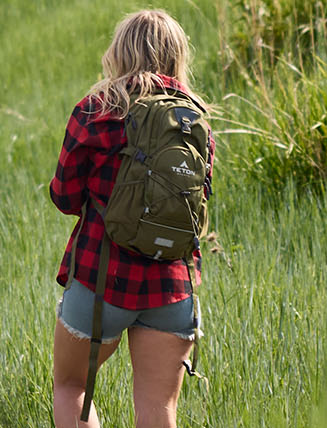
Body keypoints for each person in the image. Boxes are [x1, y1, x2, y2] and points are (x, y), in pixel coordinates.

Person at [46, 10, 212, 428]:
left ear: (119, 52)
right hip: (172, 284)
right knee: (159, 410)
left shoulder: (95, 110)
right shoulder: (194, 119)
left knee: (71, 388)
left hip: (102, 279)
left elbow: (65, 196)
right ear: (177, 56)